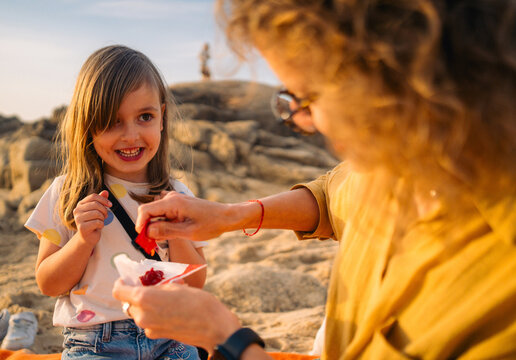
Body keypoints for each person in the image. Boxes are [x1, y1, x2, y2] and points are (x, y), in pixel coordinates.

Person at [113, 1, 516, 359]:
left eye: (307, 98)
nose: (304, 122)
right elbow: (329, 198)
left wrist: (226, 338)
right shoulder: (395, 164)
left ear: (394, 76)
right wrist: (229, 215)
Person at [27, 45, 207, 360]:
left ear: (162, 118)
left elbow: (195, 284)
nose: (131, 135)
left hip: (169, 335)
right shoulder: (67, 193)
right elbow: (48, 283)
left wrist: (174, 235)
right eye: (112, 122)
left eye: (145, 117)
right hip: (96, 341)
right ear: (88, 126)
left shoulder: (178, 195)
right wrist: (82, 240)